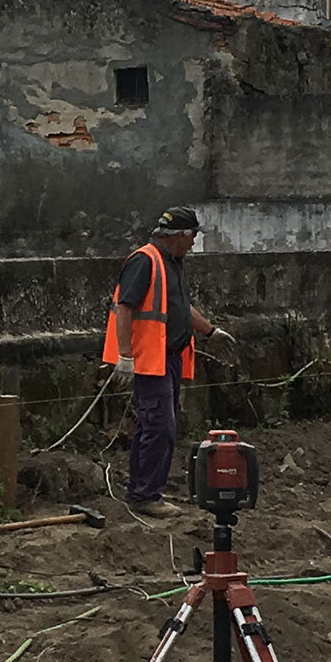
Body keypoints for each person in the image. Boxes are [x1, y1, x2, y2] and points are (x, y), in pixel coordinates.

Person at [104, 206, 222, 515]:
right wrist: (126, 356)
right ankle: (145, 496)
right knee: (160, 428)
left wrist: (209, 330)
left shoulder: (171, 262)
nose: (194, 242)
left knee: (154, 427)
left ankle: (143, 490)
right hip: (150, 360)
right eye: (193, 235)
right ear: (181, 235)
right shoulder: (145, 261)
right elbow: (125, 307)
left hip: (167, 358)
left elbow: (180, 306)